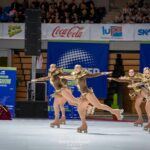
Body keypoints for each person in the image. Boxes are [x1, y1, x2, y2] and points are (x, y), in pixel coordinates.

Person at [61, 64, 124, 133]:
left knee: (99, 106)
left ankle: (115, 111)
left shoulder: (84, 75)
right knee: (80, 109)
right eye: (75, 67)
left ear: (81, 69)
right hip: (83, 95)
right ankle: (84, 125)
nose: (76, 68)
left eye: (78, 67)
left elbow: (94, 75)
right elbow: (68, 76)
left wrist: (104, 73)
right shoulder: (75, 75)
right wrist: (61, 76)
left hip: (88, 93)